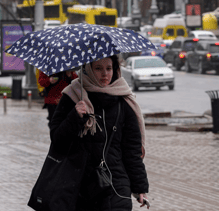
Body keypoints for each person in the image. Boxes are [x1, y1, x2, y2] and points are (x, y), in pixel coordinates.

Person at [49, 55, 149, 210]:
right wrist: (74, 116)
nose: (105, 74)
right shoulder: (72, 96)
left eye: (108, 68)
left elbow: (132, 150)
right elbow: (57, 140)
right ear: (88, 69)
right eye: (98, 68)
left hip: (116, 185)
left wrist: (140, 187)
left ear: (115, 70)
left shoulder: (124, 101)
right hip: (79, 185)